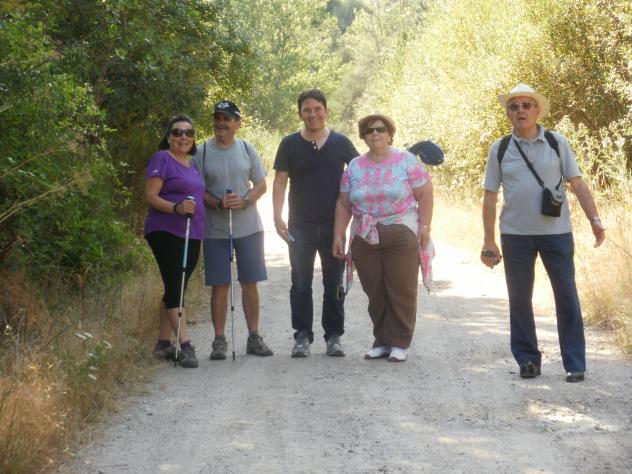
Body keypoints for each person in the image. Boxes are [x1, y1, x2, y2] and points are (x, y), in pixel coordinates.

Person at [481, 84, 606, 382]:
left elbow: (577, 183)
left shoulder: (556, 142)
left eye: (526, 105)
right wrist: (488, 240)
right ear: (508, 114)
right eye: (514, 107)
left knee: (566, 296)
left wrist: (595, 218)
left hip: (557, 233)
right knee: (519, 299)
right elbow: (489, 196)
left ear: (537, 110)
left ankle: (575, 363)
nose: (521, 111)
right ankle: (527, 360)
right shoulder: (500, 149)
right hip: (515, 236)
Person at [332, 114, 433, 362]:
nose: (375, 133)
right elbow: (343, 203)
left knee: (401, 289)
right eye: (369, 131)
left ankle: (399, 342)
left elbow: (425, 194)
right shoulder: (354, 166)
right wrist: (339, 234)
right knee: (374, 290)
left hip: (401, 230)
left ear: (389, 134)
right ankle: (382, 340)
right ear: (364, 137)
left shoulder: (406, 161)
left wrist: (425, 227)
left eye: (380, 129)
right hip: (365, 235)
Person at [273, 89, 359, 357]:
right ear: (300, 113)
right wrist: (277, 216)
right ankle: (302, 336)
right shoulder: (289, 144)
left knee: (334, 283)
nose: (313, 114)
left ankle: (334, 336)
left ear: (326, 111)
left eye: (317, 109)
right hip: (300, 226)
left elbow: (361, 173)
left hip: (335, 226)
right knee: (300, 282)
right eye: (307, 110)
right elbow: (280, 181)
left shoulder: (341, 143)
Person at [193, 100, 273, 360]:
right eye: (217, 118)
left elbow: (261, 185)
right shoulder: (202, 152)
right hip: (215, 229)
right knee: (220, 285)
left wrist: (245, 200)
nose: (221, 123)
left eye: (227, 119)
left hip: (248, 227)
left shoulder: (247, 148)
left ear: (238, 123)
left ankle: (254, 337)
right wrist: (217, 203)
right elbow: (196, 190)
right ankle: (219, 340)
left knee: (250, 283)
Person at [144, 115, 205, 368]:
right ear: (168, 137)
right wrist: (176, 208)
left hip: (192, 232)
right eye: (177, 132)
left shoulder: (192, 164)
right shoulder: (162, 158)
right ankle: (186, 345)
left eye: (189, 133)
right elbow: (150, 195)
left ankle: (163, 343)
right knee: (176, 286)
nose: (183, 137)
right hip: (165, 230)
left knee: (175, 286)